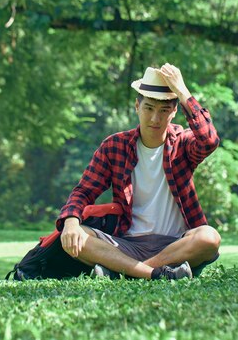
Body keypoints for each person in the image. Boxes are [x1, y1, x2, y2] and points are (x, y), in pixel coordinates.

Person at [57, 63, 221, 280]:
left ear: (174, 111)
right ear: (137, 106)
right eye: (149, 109)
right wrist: (70, 221)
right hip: (125, 243)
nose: (155, 118)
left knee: (209, 237)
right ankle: (157, 273)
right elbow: (84, 191)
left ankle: (129, 271)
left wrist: (182, 90)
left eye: (163, 111)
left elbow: (209, 140)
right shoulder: (114, 146)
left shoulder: (183, 143)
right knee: (77, 234)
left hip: (175, 243)